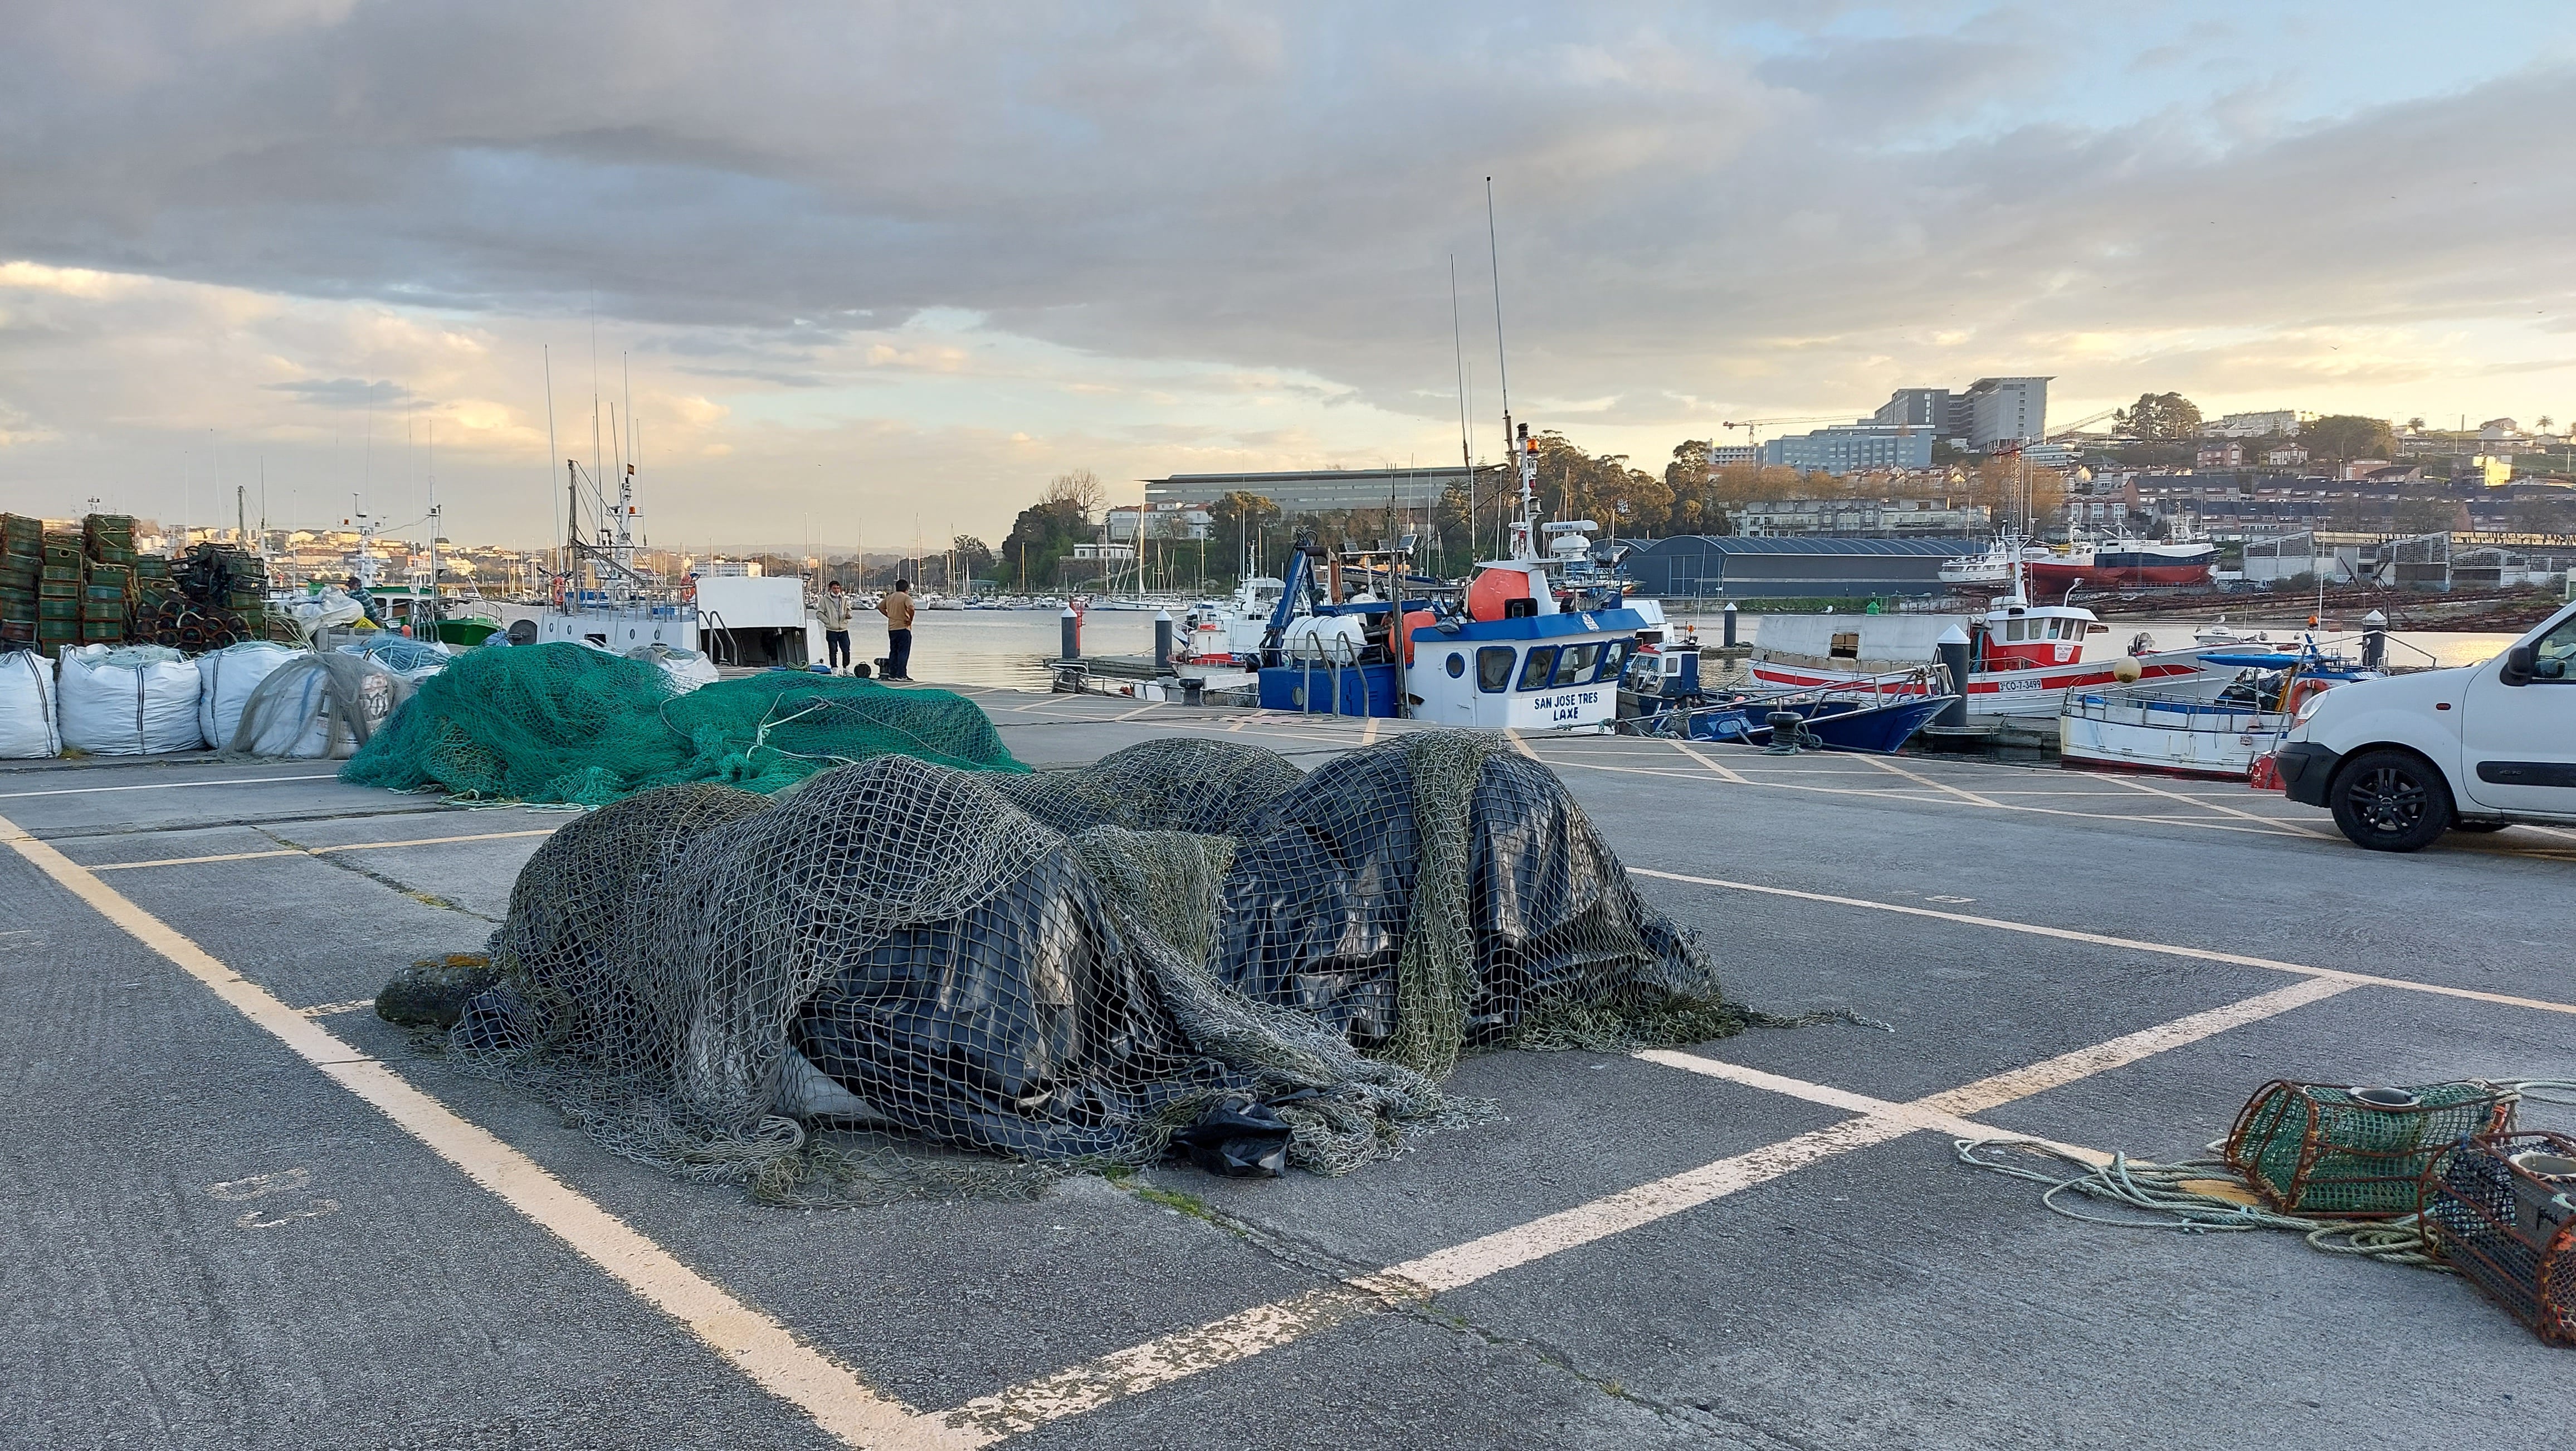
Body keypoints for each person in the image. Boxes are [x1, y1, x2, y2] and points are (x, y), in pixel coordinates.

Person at [879, 577, 915, 681]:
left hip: (892, 628)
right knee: (903, 652)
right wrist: (910, 619)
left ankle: (892, 674)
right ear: (907, 589)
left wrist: (889, 615)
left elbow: (880, 607)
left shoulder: (890, 597)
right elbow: (911, 608)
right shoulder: (906, 597)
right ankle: (902, 674)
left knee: (894, 651)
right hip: (903, 627)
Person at [817, 580, 853, 673]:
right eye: (834, 588)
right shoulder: (825, 600)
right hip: (831, 630)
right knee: (833, 651)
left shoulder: (844, 600)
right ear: (830, 589)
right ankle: (834, 669)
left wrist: (848, 615)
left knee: (846, 650)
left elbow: (849, 610)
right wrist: (828, 622)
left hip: (843, 629)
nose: (837, 590)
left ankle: (846, 668)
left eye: (838, 588)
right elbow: (819, 613)